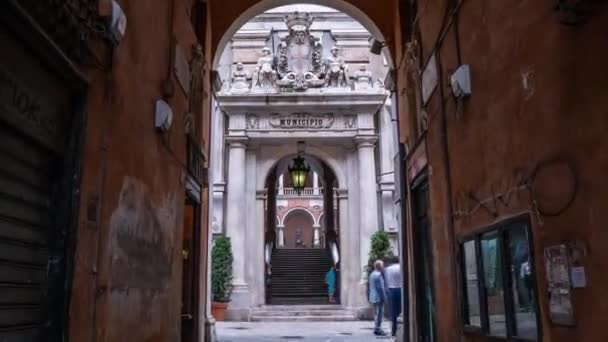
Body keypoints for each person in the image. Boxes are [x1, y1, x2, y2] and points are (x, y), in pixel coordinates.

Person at [385, 255, 403, 337]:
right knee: (401, 310)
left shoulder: (388, 269)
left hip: (391, 289)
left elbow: (386, 281)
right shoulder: (401, 267)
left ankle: (393, 330)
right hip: (400, 288)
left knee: (393, 311)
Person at [369, 260, 387, 336]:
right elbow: (381, 288)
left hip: (373, 296)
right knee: (380, 313)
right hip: (378, 296)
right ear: (379, 266)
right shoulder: (378, 275)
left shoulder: (372, 274)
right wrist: (384, 297)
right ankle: (378, 328)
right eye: (382, 265)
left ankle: (376, 327)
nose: (383, 267)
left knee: (376, 313)